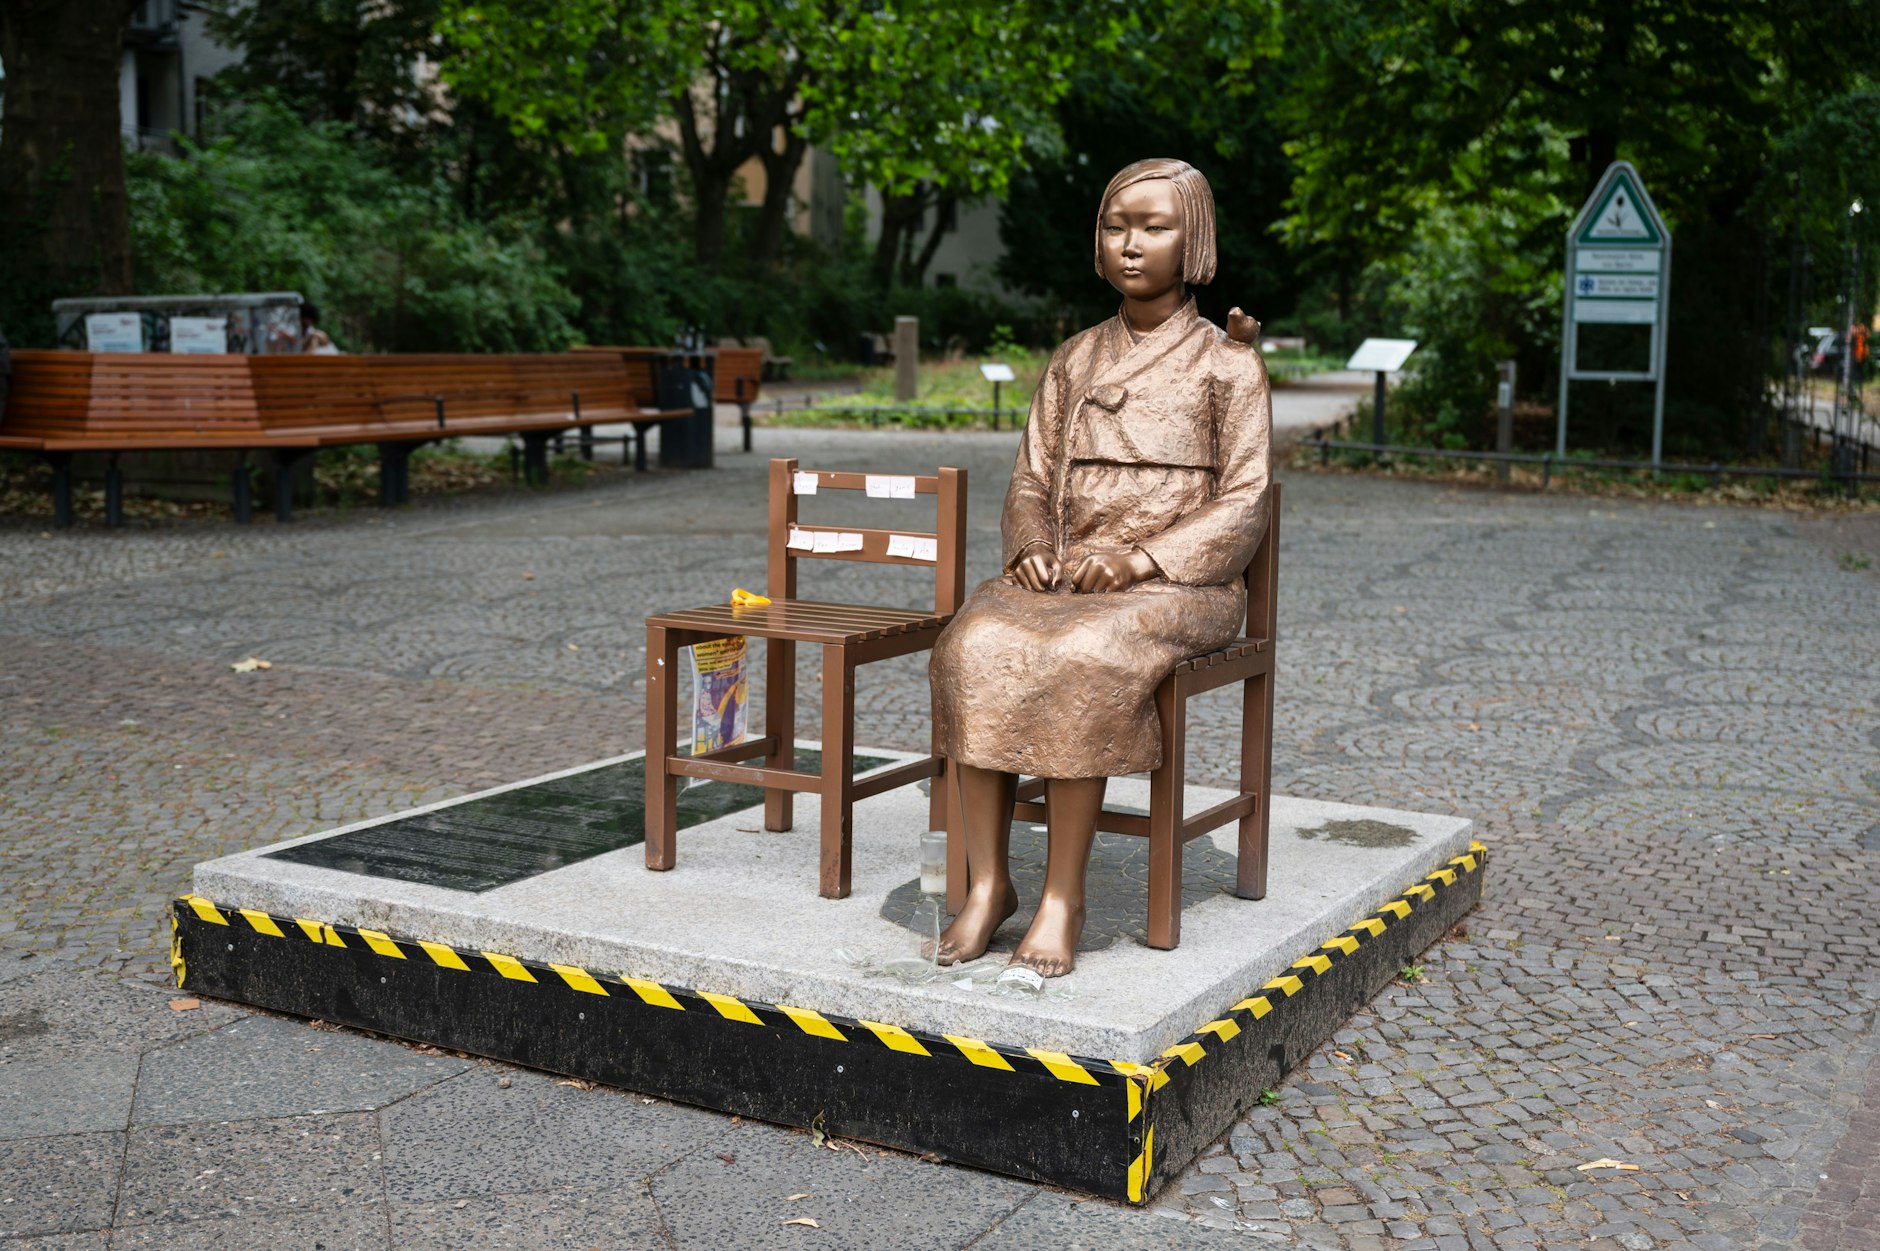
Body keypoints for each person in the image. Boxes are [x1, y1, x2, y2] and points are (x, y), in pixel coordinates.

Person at [927, 158, 1273, 978]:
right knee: (976, 641)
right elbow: (1031, 476)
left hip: (1180, 585)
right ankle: (989, 885)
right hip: (1064, 577)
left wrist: (1142, 556)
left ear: (1195, 239)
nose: (1131, 245)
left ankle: (1062, 896)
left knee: (1080, 658)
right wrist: (1032, 547)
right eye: (1117, 226)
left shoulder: (1229, 364)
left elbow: (1247, 498)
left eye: (1155, 228)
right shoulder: (1074, 356)